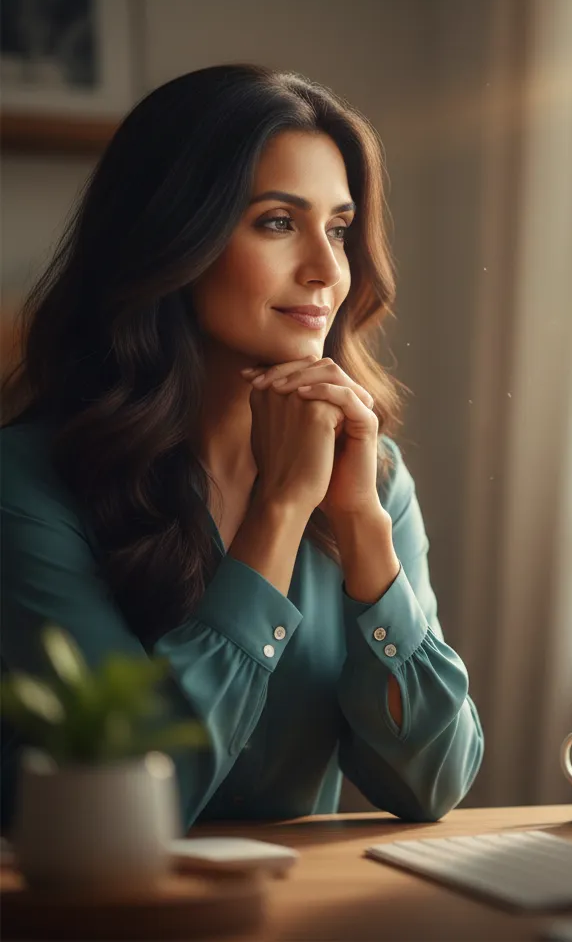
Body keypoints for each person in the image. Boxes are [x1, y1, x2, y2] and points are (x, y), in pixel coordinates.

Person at [0, 64, 484, 829]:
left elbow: (433, 784)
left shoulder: (372, 476)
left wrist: (360, 526)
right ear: (170, 239)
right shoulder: (28, 484)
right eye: (277, 222)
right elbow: (129, 799)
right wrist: (281, 509)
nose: (328, 271)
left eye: (339, 228)